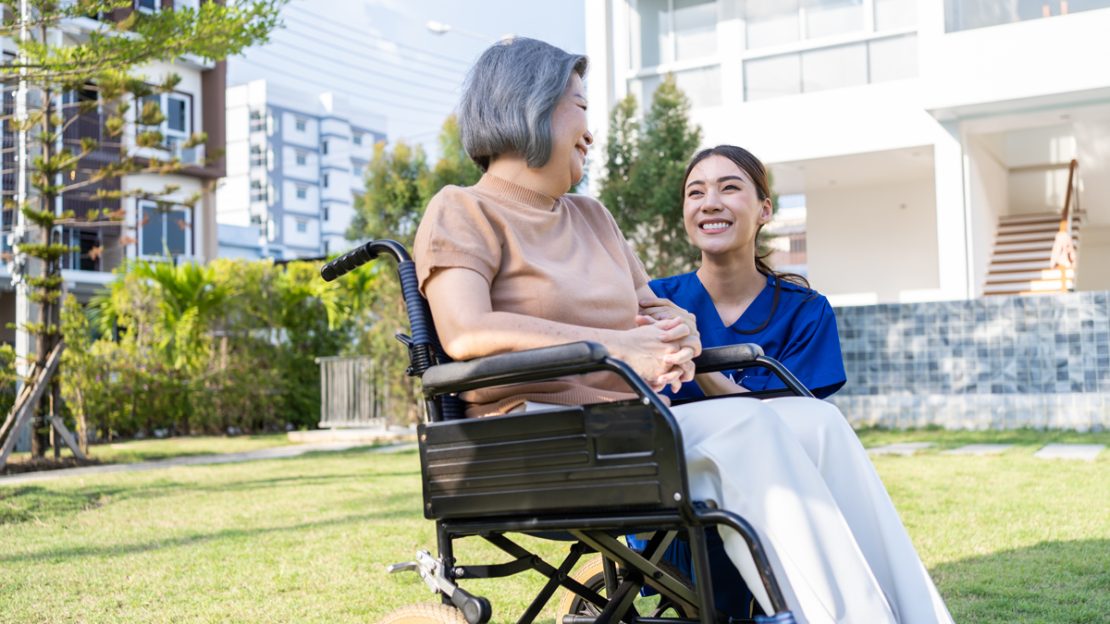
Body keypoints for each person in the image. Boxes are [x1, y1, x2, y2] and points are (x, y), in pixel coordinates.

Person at [413, 37, 953, 624]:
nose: (590, 132)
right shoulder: (462, 209)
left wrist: (679, 331)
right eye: (582, 107)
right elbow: (466, 332)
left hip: (626, 429)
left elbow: (652, 309)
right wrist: (619, 348)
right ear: (530, 106)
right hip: (530, 438)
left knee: (818, 423)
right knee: (747, 425)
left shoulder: (593, 217)